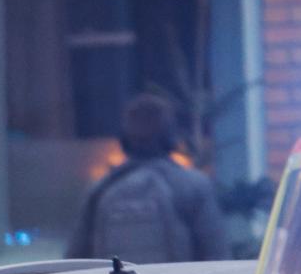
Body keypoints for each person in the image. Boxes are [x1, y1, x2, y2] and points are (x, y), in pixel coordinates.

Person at [68, 93, 226, 263]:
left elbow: (74, 259)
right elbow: (216, 255)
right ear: (170, 137)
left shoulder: (100, 190)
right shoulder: (193, 185)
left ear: (125, 140)